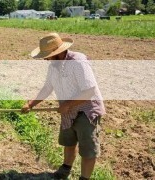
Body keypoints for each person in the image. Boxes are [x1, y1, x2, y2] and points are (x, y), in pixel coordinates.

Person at [22, 33, 105, 180]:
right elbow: (47, 88)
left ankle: (84, 178)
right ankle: (65, 170)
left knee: (88, 150)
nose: (46, 59)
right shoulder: (53, 66)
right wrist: (31, 104)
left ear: (58, 52)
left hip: (86, 111)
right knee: (69, 142)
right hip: (68, 111)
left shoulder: (78, 62)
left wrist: (68, 104)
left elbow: (89, 90)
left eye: (47, 55)